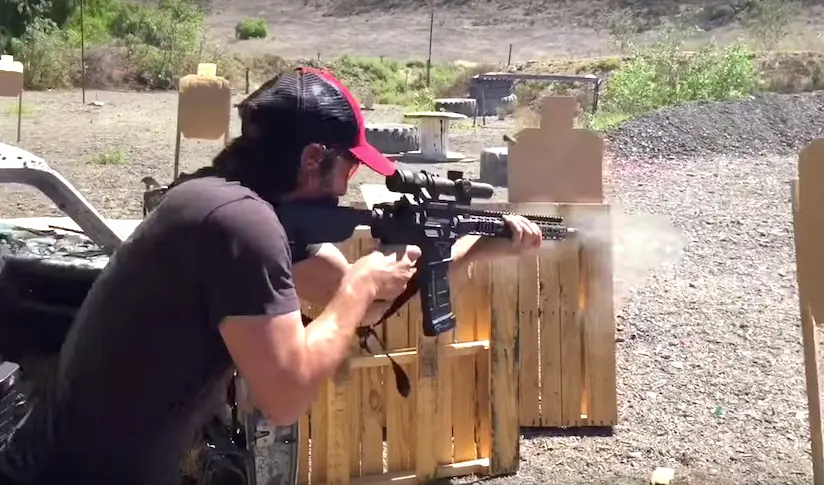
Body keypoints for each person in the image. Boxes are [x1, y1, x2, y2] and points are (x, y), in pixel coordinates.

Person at [0, 67, 542, 485]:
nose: (349, 186)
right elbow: (287, 392)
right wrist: (359, 287)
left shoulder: (218, 197)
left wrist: (462, 252)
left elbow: (359, 301)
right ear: (312, 158)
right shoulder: (244, 226)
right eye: (349, 168)